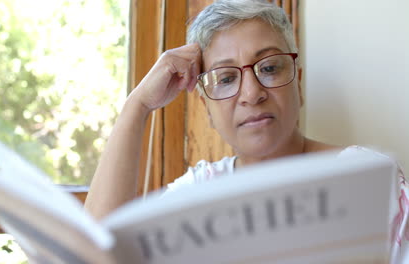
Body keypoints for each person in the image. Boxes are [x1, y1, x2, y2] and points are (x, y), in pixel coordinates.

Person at [84, 0, 408, 262]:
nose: (251, 94)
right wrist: (138, 105)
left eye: (268, 68)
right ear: (207, 110)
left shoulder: (367, 178)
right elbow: (96, 255)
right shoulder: (196, 195)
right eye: (226, 78)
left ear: (299, 83)